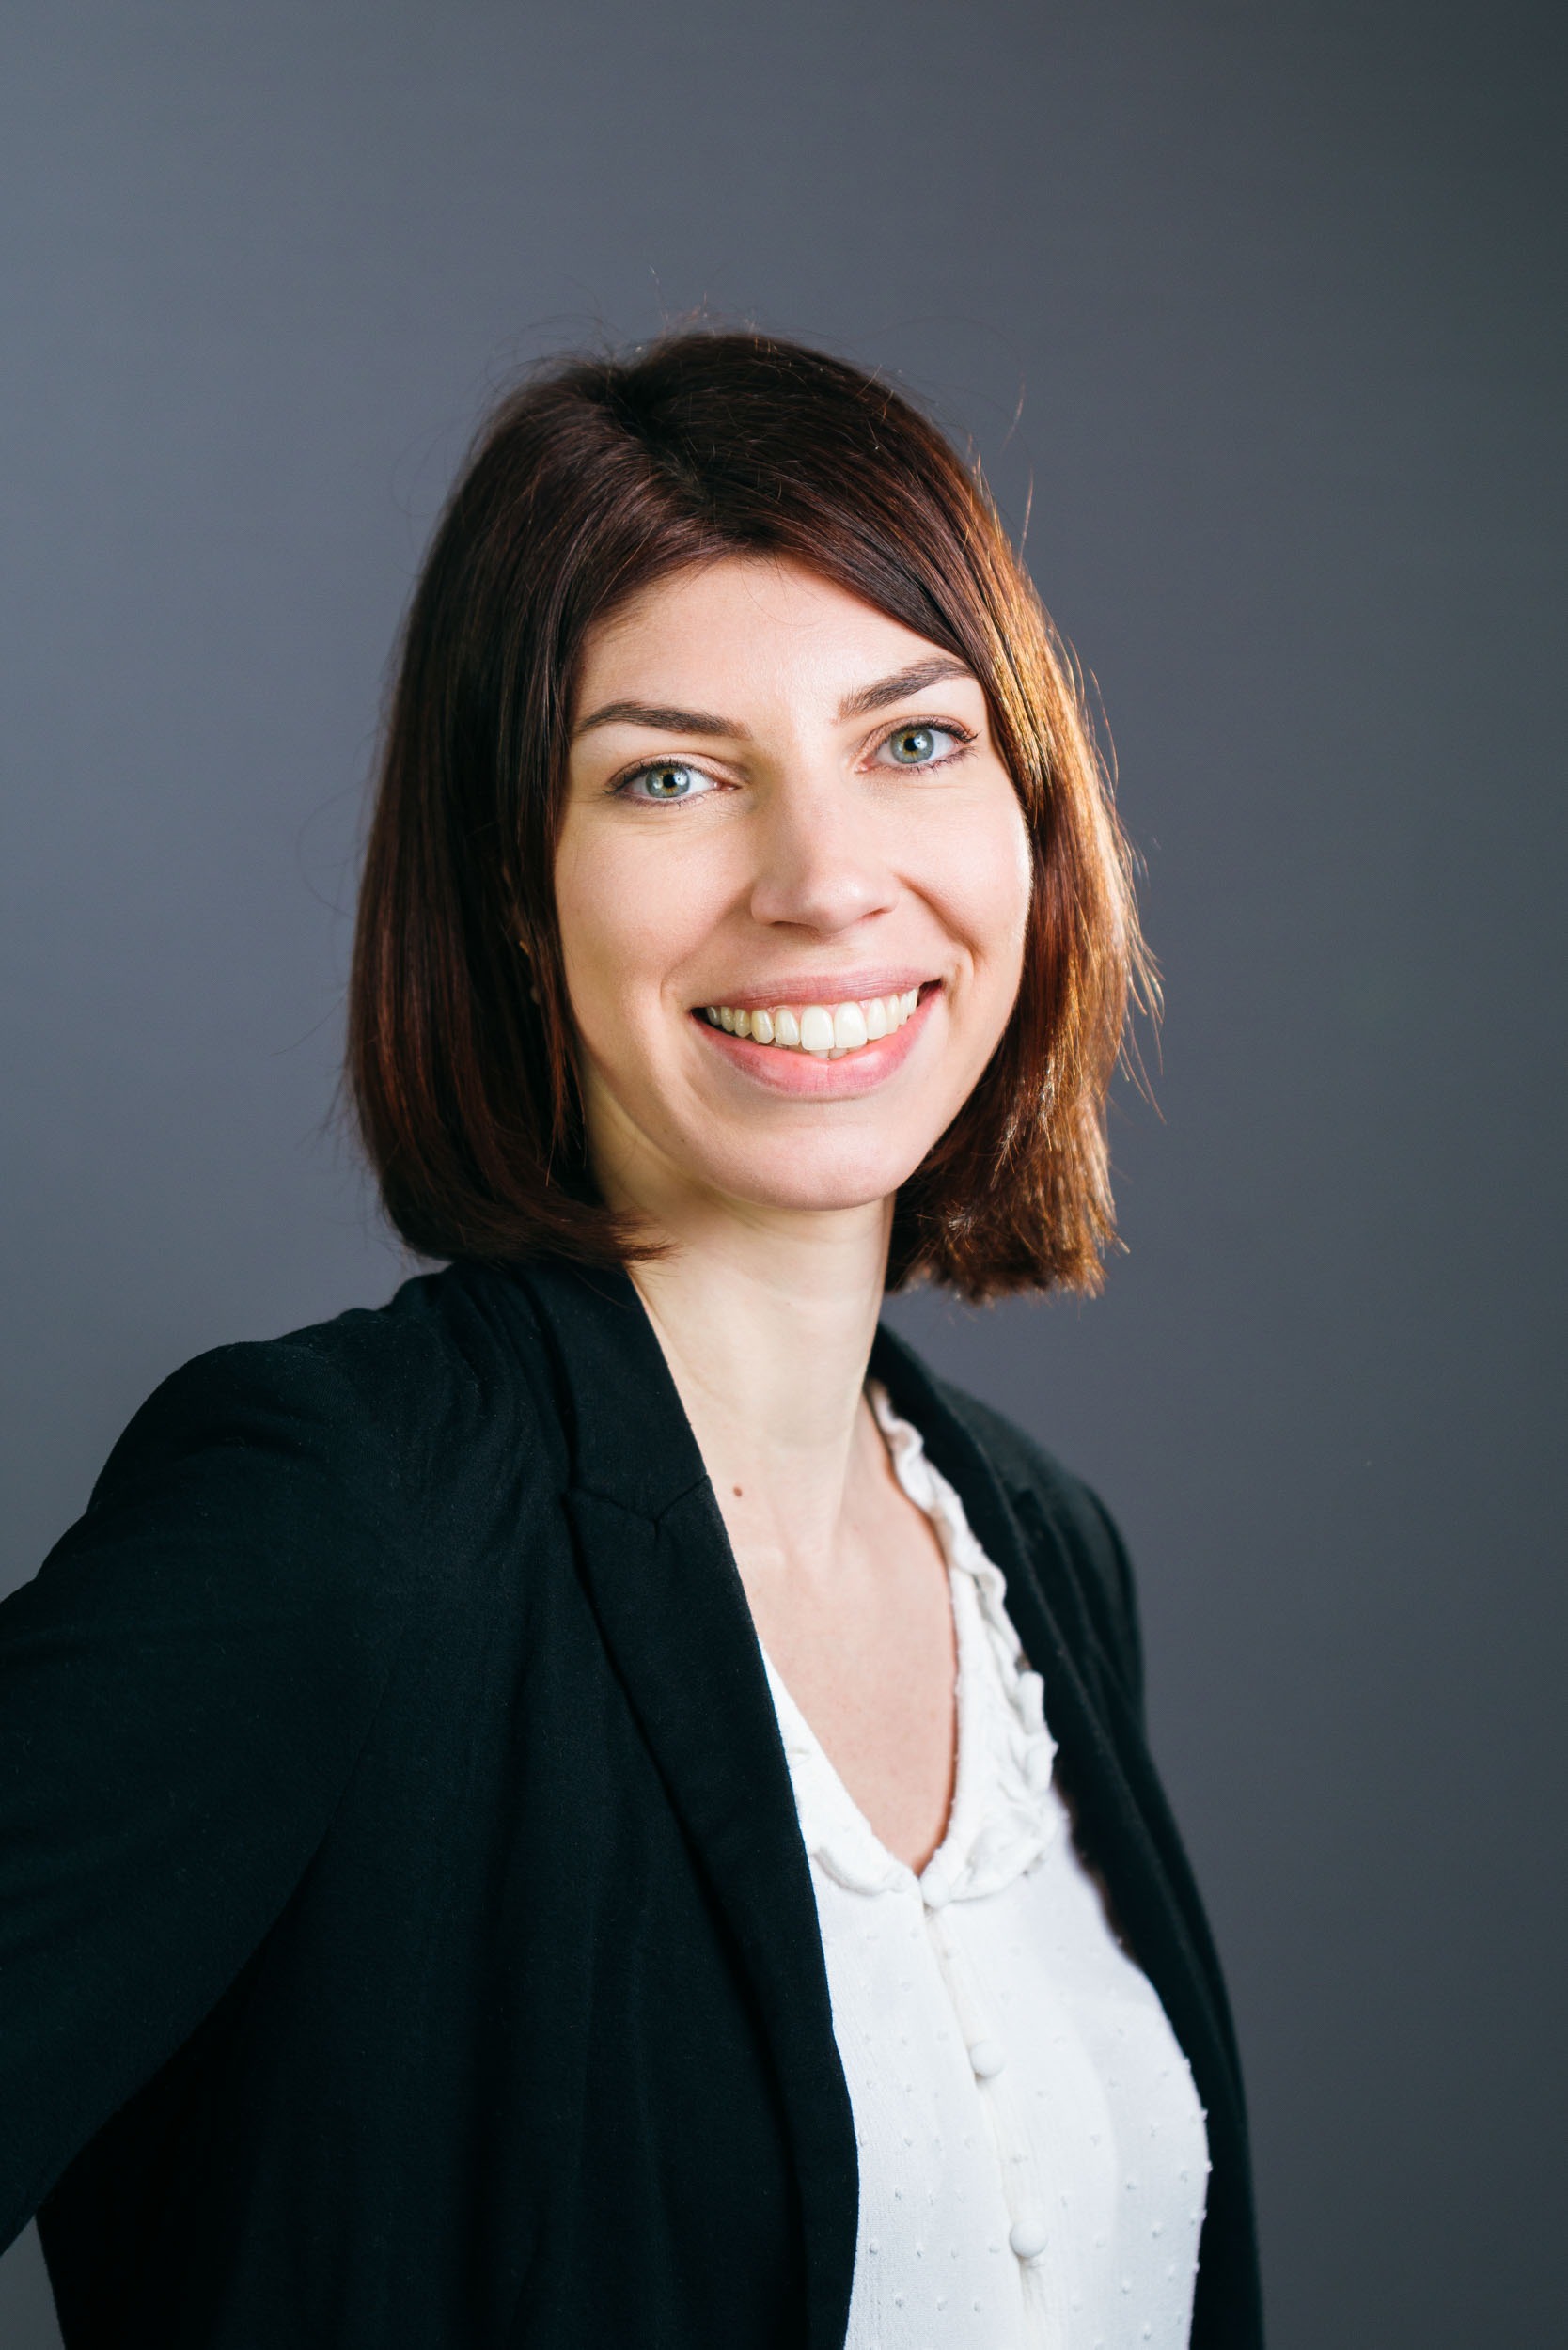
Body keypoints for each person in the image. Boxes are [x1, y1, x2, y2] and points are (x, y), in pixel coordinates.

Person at [0, 329, 1263, 2349]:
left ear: (1037, 812)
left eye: (914, 740)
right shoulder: (346, 1519)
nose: (826, 879)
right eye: (670, 773)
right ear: (516, 883)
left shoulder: (1043, 1557)